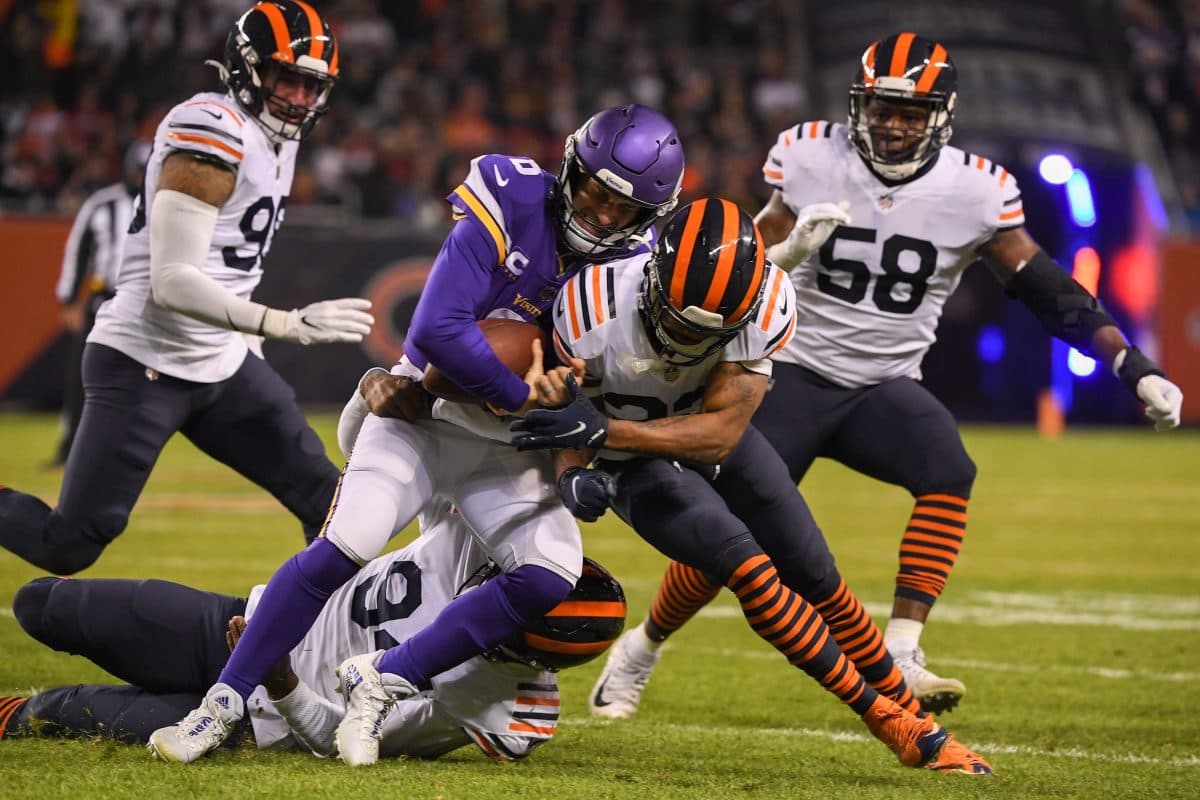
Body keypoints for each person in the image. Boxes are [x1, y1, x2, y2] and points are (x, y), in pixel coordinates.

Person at [588, 31, 1186, 720]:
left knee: (948, 468)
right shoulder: (811, 155)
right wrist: (788, 252)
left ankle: (901, 649)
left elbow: (1047, 288)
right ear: (859, 105)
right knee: (734, 534)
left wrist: (1129, 362)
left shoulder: (977, 189)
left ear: (942, 114)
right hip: (789, 372)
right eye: (881, 108)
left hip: (883, 383)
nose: (893, 124)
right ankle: (643, 646)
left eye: (910, 111)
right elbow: (732, 273)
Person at [147, 103, 686, 765]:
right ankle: (222, 702)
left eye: (623, 208)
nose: (601, 215)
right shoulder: (513, 196)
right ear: (572, 166)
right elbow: (436, 332)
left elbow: (598, 388)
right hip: (425, 417)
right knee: (347, 543)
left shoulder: (635, 273)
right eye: (596, 192)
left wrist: (575, 457)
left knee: (551, 574)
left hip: (507, 452)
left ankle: (380, 680)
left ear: (648, 217)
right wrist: (522, 397)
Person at [511, 198, 991, 775]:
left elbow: (720, 436)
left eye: (708, 332)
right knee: (747, 566)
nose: (688, 341)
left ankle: (912, 714)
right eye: (680, 321)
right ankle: (892, 724)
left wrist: (604, 429)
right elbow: (563, 413)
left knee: (818, 576)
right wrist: (571, 471)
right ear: (652, 278)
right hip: (630, 463)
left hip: (695, 432)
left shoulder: (766, 303)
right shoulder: (591, 302)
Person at [0, 1, 374, 576]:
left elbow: (234, 258)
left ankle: (309, 629)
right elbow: (172, 282)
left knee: (331, 505)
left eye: (313, 86)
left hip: (220, 363)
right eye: (288, 79)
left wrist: (248, 342)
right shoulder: (213, 128)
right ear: (247, 68)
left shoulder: (281, 139)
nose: (301, 98)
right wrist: (283, 323)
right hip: (144, 359)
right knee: (68, 545)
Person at [0, 497, 627, 763]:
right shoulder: (487, 529)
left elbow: (340, 738)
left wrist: (283, 685)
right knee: (43, 605)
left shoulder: (504, 708)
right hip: (246, 621)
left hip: (264, 720)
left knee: (50, 713)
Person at [49, 140, 151, 468]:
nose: (141, 177)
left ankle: (127, 453)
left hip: (145, 303)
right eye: (138, 170)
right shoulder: (102, 203)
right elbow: (77, 252)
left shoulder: (163, 203)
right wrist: (69, 300)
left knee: (147, 382)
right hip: (104, 300)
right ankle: (70, 447)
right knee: (83, 374)